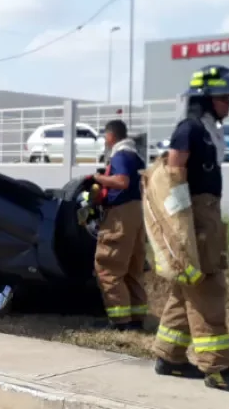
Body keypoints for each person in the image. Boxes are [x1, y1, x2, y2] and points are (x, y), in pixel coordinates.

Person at [150, 64, 229, 391]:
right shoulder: (190, 128)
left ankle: (169, 356)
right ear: (207, 98)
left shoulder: (207, 128)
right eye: (224, 96)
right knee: (208, 288)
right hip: (195, 215)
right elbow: (173, 173)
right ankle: (218, 369)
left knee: (185, 289)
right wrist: (181, 225)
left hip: (206, 212)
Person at [90, 119, 148, 331]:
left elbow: (121, 182)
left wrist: (98, 178)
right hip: (137, 212)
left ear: (111, 136)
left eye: (106, 136)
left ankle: (120, 322)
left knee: (109, 266)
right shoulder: (136, 156)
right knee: (133, 267)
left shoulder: (121, 154)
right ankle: (136, 318)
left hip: (121, 215)